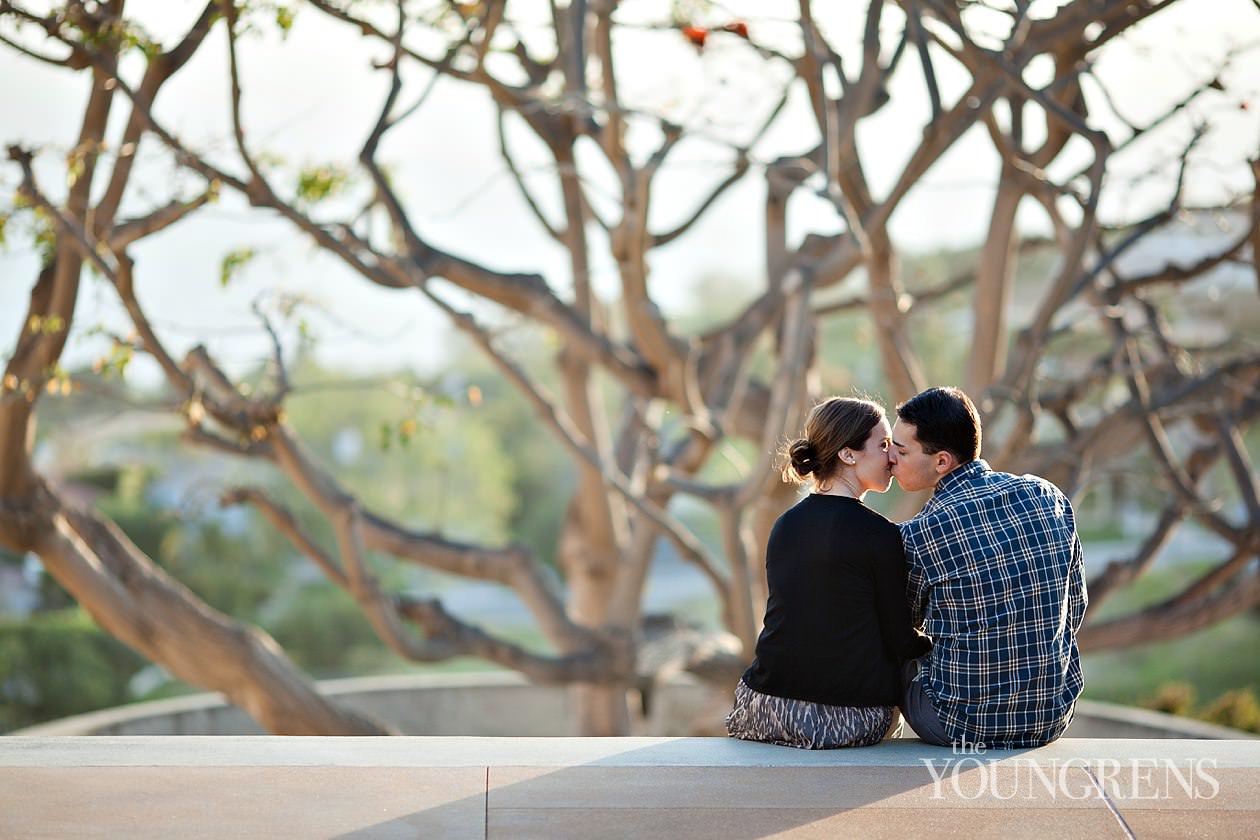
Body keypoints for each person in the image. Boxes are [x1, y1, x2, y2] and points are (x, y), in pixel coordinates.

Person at [725, 396, 931, 749]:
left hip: (762, 707)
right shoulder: (879, 534)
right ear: (848, 455)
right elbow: (901, 641)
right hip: (847, 719)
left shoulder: (784, 525)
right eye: (882, 445)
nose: (892, 456)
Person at [889, 386, 1088, 749]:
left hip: (959, 725)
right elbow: (1075, 603)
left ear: (942, 461)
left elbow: (904, 627)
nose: (890, 459)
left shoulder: (920, 535)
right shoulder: (1047, 497)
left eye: (901, 451)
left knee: (886, 646)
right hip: (1052, 716)